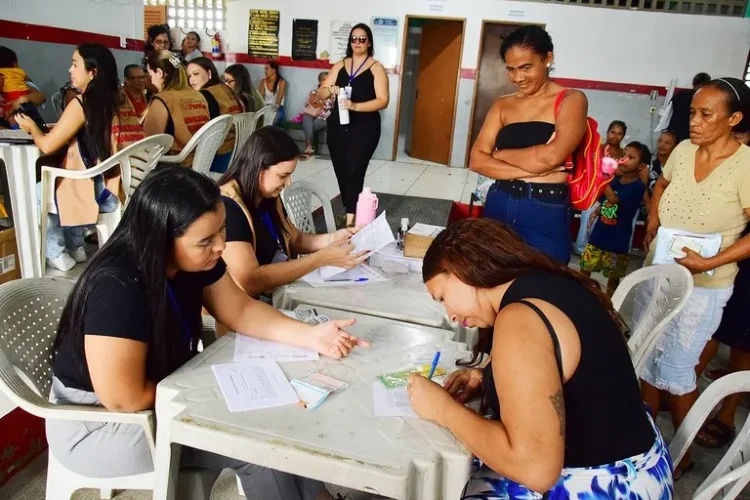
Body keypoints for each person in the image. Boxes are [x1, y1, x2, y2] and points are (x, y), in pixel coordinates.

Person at [46, 166, 366, 500]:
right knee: (255, 448)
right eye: (205, 241)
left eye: (222, 230)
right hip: (100, 423)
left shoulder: (195, 261)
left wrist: (313, 336)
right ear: (161, 238)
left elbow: (239, 309)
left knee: (275, 425)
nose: (220, 246)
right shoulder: (116, 287)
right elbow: (123, 398)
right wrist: (212, 393)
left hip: (160, 393)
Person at [407, 218, 672, 498]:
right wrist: (487, 375)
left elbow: (536, 471)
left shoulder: (520, 319)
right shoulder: (544, 282)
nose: (450, 315)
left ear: (461, 269)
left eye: (442, 297)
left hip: (604, 485)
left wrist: (443, 410)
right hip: (643, 469)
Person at [641, 76, 750, 479]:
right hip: (660, 271)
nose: (695, 122)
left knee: (678, 370)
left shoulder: (745, 166)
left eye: (707, 114)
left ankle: (681, 452)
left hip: (705, 286)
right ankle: (647, 434)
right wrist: (654, 216)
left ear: (734, 118)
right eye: (693, 113)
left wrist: (712, 261)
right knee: (647, 354)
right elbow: (664, 182)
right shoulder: (685, 151)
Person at [15, 43, 144, 272]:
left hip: (101, 194)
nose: (70, 70)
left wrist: (32, 128)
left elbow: (47, 145)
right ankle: (76, 247)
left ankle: (57, 253)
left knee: (38, 192)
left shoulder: (82, 103)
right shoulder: (122, 100)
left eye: (75, 64)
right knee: (71, 177)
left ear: (92, 72)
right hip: (125, 188)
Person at [469, 26, 587, 264]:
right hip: (499, 201)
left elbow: (550, 158)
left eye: (526, 67)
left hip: (544, 208)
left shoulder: (572, 100)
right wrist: (533, 169)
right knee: (494, 280)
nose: (518, 78)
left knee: (544, 283)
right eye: (511, 69)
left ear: (548, 58)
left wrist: (499, 154)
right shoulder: (503, 105)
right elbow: (477, 160)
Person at [218, 126, 366, 301]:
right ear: (258, 169)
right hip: (246, 305)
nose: (288, 183)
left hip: (275, 292)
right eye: (283, 176)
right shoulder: (229, 207)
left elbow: (295, 239)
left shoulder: (266, 197)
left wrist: (335, 238)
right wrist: (319, 259)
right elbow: (250, 280)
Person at [691, 128, 750, 450]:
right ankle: (680, 391)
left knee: (744, 339)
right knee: (713, 328)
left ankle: (727, 414)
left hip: (737, 257)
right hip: (725, 256)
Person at [318, 23, 389, 228]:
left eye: (362, 38)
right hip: (338, 126)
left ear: (369, 42)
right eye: (354, 39)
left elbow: (383, 100)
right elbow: (321, 93)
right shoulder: (340, 65)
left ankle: (351, 217)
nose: (358, 42)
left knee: (354, 169)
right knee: (341, 169)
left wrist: (355, 105)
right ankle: (351, 207)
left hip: (364, 127)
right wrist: (330, 89)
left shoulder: (376, 68)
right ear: (350, 42)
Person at [580, 142, 650, 296]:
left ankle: (609, 304)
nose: (624, 159)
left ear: (641, 165)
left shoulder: (637, 187)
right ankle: (582, 294)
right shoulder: (615, 180)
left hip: (617, 241)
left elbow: (613, 199)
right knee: (585, 267)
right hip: (598, 235)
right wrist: (597, 211)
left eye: (630, 157)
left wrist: (602, 177)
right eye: (623, 155)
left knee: (613, 277)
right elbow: (606, 201)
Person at [143, 50, 210, 165]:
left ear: (159, 73)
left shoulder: (162, 100)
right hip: (201, 164)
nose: (151, 80)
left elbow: (149, 146)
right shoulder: (198, 95)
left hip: (174, 168)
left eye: (150, 75)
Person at [574, 120, 628, 256]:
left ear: (624, 136)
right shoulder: (598, 150)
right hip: (595, 194)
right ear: (607, 132)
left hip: (612, 195)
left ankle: (598, 252)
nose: (615, 136)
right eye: (613, 132)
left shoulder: (624, 155)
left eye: (619, 134)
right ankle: (582, 251)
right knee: (587, 225)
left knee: (604, 226)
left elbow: (625, 174)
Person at [187, 57, 245, 173]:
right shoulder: (226, 88)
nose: (192, 80)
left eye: (196, 74)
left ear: (209, 73)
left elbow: (205, 131)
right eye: (189, 76)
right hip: (236, 151)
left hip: (219, 155)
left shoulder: (205, 94)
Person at [668, 72, 711, 142]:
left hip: (673, 132)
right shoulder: (702, 99)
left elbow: (669, 111)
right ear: (704, 85)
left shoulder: (679, 94)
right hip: (689, 134)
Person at [302, 71, 333, 157]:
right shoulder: (314, 91)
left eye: (328, 80)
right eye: (323, 80)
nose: (326, 82)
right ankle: (309, 146)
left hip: (325, 116)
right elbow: (312, 102)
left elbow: (330, 107)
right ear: (319, 81)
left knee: (310, 126)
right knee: (307, 120)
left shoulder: (333, 93)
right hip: (311, 113)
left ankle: (308, 145)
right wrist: (321, 93)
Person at [142, 24, 174, 97]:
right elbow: (147, 82)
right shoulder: (148, 60)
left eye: (166, 42)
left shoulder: (174, 59)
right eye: (158, 42)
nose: (162, 45)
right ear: (152, 43)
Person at [0, 46, 31, 118]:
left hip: (8, 97)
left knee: (9, 114)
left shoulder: (1, 73)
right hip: (22, 93)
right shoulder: (20, 71)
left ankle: (14, 127)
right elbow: (30, 81)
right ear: (14, 63)